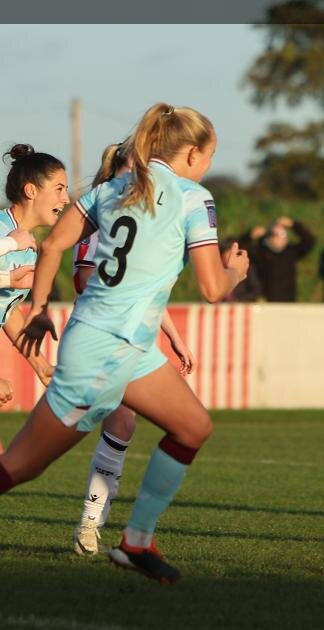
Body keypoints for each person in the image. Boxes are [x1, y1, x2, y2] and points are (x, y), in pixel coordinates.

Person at [0, 103, 249, 585]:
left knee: (193, 427)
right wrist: (235, 270)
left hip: (122, 344)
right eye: (210, 155)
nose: (209, 165)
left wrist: (41, 307)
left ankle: (136, 542)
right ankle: (134, 539)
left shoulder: (111, 189)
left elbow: (53, 246)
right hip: (105, 349)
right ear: (191, 153)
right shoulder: (193, 198)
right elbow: (213, 288)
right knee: (20, 466)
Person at [69, 141, 197, 557]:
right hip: (101, 335)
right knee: (79, 429)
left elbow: (146, 288)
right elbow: (84, 280)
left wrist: (174, 337)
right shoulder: (101, 214)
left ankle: (93, 523)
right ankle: (97, 524)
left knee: (121, 426)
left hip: (131, 337)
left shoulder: (141, 217)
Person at [0, 144, 62, 390]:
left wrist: (41, 366)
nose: (66, 199)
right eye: (59, 189)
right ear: (31, 191)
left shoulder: (28, 247)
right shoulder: (3, 231)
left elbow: (6, 308)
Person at [238, 215, 313, 302]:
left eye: (281, 234)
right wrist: (249, 236)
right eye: (273, 234)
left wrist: (293, 224)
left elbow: (309, 240)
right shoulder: (261, 252)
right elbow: (239, 249)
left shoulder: (291, 252)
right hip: (266, 302)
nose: (277, 237)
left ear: (286, 238)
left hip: (288, 302)